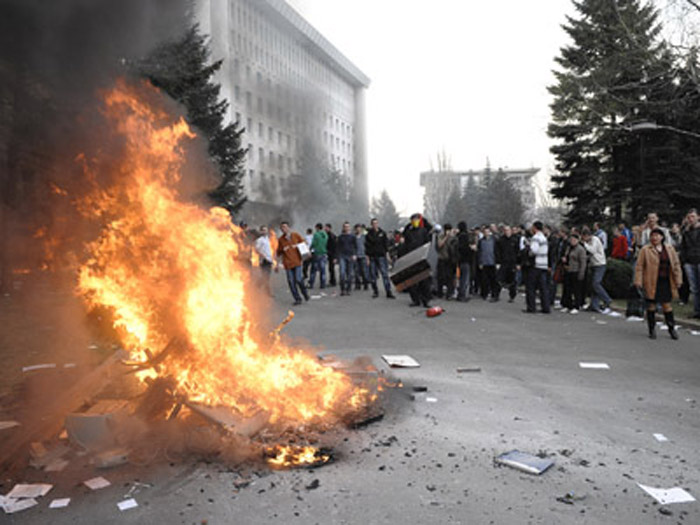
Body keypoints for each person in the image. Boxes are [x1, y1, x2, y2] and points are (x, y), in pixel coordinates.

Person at [634, 228, 683, 340]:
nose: (654, 238)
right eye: (652, 235)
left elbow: (676, 265)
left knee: (667, 305)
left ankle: (671, 328)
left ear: (662, 237)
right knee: (651, 305)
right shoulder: (645, 250)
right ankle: (652, 329)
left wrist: (678, 280)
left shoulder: (669, 249)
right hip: (651, 281)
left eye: (657, 235)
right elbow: (639, 266)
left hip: (666, 281)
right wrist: (638, 281)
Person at [401, 213, 433, 307]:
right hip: (411, 258)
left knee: (424, 281)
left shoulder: (424, 231)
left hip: (421, 258)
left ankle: (426, 300)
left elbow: (428, 243)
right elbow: (404, 240)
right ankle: (415, 300)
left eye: (417, 219)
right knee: (412, 281)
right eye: (413, 220)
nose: (415, 221)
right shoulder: (408, 232)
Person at [276, 221, 309, 305]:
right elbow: (278, 252)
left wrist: (298, 246)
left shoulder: (295, 235)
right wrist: (282, 251)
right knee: (291, 282)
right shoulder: (280, 240)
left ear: (288, 228)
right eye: (282, 228)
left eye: (285, 227)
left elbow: (304, 243)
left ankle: (305, 293)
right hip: (288, 264)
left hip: (297, 262)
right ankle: (297, 299)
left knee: (298, 279)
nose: (283, 229)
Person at [582, 227, 611, 313]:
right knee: (593, 286)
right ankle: (594, 305)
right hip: (593, 264)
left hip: (600, 264)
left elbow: (593, 250)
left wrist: (584, 244)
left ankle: (607, 299)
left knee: (596, 283)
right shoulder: (589, 242)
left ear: (587, 235)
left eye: (584, 237)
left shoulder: (595, 240)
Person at [365, 218, 396, 299]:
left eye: (376, 223)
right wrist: (367, 258)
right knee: (373, 275)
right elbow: (367, 247)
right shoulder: (368, 235)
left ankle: (388, 291)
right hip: (372, 257)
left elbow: (386, 245)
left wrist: (388, 256)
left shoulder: (382, 233)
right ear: (371, 225)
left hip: (381, 256)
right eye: (373, 223)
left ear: (378, 224)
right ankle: (375, 291)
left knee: (385, 274)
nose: (375, 225)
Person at [524, 221, 550, 314]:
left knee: (531, 287)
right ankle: (545, 307)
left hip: (536, 264)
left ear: (535, 228)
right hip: (544, 264)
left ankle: (531, 307)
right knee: (543, 288)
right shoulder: (544, 237)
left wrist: (528, 251)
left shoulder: (535, 238)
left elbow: (534, 251)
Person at [560, 233, 587, 314]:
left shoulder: (580, 249)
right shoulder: (569, 248)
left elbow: (583, 262)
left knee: (576, 290)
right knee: (567, 289)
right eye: (571, 240)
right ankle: (568, 305)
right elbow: (566, 256)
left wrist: (581, 273)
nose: (572, 241)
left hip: (576, 270)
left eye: (574, 240)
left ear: (577, 240)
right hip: (568, 270)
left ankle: (576, 306)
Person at [681, 208, 700, 319]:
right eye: (689, 217)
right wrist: (684, 260)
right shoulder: (686, 232)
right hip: (689, 261)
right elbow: (683, 246)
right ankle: (697, 310)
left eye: (693, 216)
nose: (691, 219)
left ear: (698, 217)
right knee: (694, 288)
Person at [495, 225, 519, 302]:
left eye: (508, 230)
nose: (506, 232)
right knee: (498, 280)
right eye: (505, 230)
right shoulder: (500, 240)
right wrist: (498, 262)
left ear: (511, 231)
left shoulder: (515, 240)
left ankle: (512, 296)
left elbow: (518, 252)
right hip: (503, 263)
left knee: (512, 281)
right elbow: (497, 252)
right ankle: (496, 295)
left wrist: (518, 263)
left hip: (512, 263)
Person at [436, 224, 458, 299]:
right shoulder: (441, 236)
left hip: (449, 260)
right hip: (441, 258)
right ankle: (440, 293)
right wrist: (446, 237)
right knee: (441, 277)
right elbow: (439, 245)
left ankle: (449, 293)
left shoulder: (453, 238)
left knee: (450, 278)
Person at [477, 227, 499, 301]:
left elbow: (497, 251)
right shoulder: (481, 241)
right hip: (484, 263)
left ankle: (494, 294)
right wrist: (480, 262)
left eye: (487, 231)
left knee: (493, 280)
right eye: (485, 232)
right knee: (484, 280)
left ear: (490, 232)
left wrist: (497, 262)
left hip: (492, 262)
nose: (486, 233)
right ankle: (485, 294)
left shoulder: (494, 240)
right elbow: (479, 252)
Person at [456, 221, 476, 302]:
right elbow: (465, 249)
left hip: (459, 260)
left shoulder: (458, 236)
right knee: (465, 278)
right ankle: (463, 295)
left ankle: (460, 294)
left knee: (461, 278)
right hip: (466, 260)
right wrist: (471, 248)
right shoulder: (464, 236)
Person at [336, 222, 357, 296]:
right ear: (343, 228)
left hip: (350, 256)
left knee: (350, 274)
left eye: (348, 226)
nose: (346, 228)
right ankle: (342, 289)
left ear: (349, 227)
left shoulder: (352, 237)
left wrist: (354, 254)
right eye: (345, 226)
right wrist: (336, 257)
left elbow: (355, 246)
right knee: (342, 273)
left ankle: (348, 289)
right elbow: (337, 247)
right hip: (342, 256)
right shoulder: (340, 237)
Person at [254, 225, 274, 296]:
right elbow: (256, 250)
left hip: (269, 260)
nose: (265, 231)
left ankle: (257, 286)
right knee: (265, 276)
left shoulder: (268, 239)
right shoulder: (259, 240)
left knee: (266, 277)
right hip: (263, 261)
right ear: (261, 231)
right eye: (263, 230)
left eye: (266, 230)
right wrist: (263, 256)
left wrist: (271, 258)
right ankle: (266, 291)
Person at [308, 223, 328, 289]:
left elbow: (313, 243)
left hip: (317, 253)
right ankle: (323, 284)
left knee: (313, 270)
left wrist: (309, 249)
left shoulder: (316, 234)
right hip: (324, 253)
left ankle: (311, 284)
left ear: (317, 227)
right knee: (323, 270)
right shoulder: (325, 234)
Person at [354, 224, 369, 290]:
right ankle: (358, 285)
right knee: (356, 271)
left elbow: (367, 246)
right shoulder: (353, 237)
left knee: (364, 271)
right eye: (357, 228)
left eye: (359, 228)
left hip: (363, 255)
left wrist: (367, 256)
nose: (358, 229)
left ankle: (365, 284)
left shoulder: (364, 237)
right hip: (356, 256)